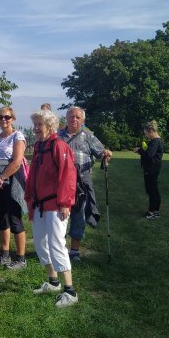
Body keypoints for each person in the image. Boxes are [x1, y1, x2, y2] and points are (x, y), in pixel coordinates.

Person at [24, 109, 79, 308]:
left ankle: (70, 291)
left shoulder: (58, 146)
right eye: (35, 124)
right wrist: (29, 198)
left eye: (40, 124)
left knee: (57, 244)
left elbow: (68, 176)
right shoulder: (39, 146)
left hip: (56, 205)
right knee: (40, 243)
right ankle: (53, 281)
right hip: (40, 204)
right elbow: (33, 175)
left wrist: (65, 203)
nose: (36, 128)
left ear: (50, 126)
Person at [57, 106, 112, 262]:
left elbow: (101, 152)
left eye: (77, 117)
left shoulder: (89, 136)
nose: (74, 119)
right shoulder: (57, 136)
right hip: (60, 182)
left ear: (83, 120)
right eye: (71, 116)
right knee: (58, 215)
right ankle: (58, 247)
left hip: (81, 181)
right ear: (66, 118)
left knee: (79, 214)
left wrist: (106, 153)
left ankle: (74, 251)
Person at [0, 106, 29, 269]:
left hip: (12, 180)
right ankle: (4, 255)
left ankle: (21, 258)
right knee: (1, 217)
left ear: (13, 119)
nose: (3, 120)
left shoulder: (18, 136)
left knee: (14, 218)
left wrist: (1, 179)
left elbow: (17, 161)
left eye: (7, 117)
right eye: (0, 117)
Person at [133, 120, 164, 220]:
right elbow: (149, 152)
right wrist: (141, 150)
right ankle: (154, 210)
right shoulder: (155, 142)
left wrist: (139, 150)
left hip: (152, 169)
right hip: (151, 169)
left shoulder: (156, 141)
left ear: (151, 130)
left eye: (146, 132)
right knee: (152, 189)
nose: (145, 134)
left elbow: (149, 154)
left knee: (152, 190)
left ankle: (154, 212)